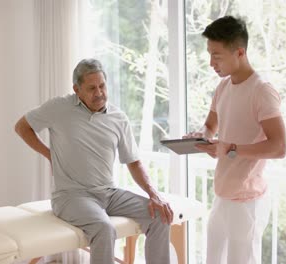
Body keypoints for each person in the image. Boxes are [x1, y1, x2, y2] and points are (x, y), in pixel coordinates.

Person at [15, 58, 173, 264]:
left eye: (102, 86)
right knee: (104, 228)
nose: (99, 93)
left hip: (109, 193)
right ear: (77, 89)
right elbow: (22, 127)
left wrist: (154, 194)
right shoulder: (58, 108)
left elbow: (133, 161)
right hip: (71, 197)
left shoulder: (118, 117)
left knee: (160, 216)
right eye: (91, 88)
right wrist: (49, 154)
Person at [184, 16, 286, 264]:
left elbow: (279, 147)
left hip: (247, 200)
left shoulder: (262, 91)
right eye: (209, 54)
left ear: (239, 52)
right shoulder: (223, 88)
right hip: (223, 194)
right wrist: (204, 136)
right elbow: (211, 125)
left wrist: (230, 149)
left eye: (217, 56)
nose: (211, 63)